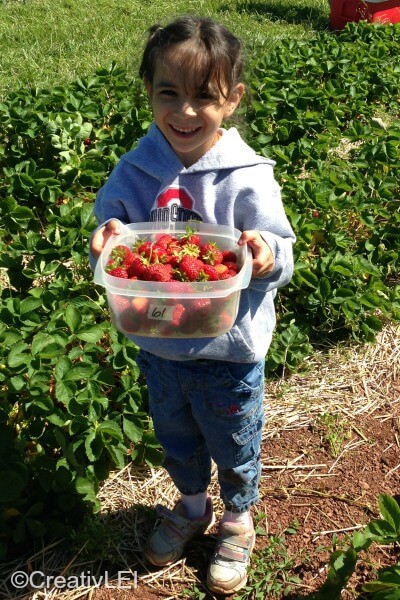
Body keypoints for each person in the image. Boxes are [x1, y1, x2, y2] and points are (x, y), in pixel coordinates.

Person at [90, 15, 295, 595]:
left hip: (229, 349)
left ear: (232, 100)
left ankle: (237, 519)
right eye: (168, 93)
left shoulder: (250, 178)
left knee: (235, 440)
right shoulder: (134, 171)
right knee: (174, 434)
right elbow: (110, 241)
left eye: (203, 97)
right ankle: (190, 503)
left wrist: (263, 254)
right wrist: (104, 239)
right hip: (158, 344)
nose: (183, 112)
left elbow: (283, 251)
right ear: (149, 92)